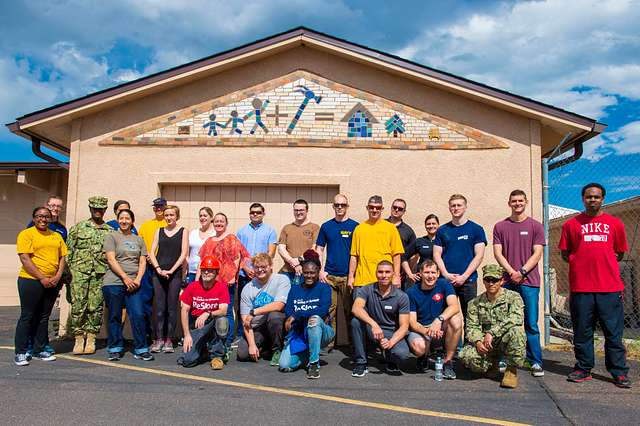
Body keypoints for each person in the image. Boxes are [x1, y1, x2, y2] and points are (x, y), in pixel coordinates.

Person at [559, 183, 631, 388]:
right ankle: (583, 368)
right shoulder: (571, 225)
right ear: (582, 199)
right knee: (582, 332)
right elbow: (566, 254)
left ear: (603, 199)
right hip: (582, 289)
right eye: (589, 197)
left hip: (609, 288)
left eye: (596, 197)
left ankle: (618, 371)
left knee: (613, 334)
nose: (592, 200)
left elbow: (619, 252)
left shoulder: (615, 224)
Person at [493, 189, 545, 377]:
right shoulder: (500, 226)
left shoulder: (536, 226)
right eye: (514, 201)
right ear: (509, 203)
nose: (517, 203)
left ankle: (535, 362)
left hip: (529, 282)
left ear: (526, 202)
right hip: (507, 282)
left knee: (530, 323)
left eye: (520, 201)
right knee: (503, 322)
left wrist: (522, 272)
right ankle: (504, 358)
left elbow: (537, 253)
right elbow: (498, 253)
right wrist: (511, 272)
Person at [14, 207, 67, 366]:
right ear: (34, 218)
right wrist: (42, 278)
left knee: (44, 317)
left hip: (52, 282)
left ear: (51, 219)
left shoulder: (56, 236)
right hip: (30, 281)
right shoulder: (26, 234)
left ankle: (39, 349)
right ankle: (21, 351)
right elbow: (25, 259)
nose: (43, 219)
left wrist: (57, 276)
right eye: (39, 216)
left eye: (46, 217)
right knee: (27, 316)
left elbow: (62, 257)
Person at [459, 264, 526, 389]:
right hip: (486, 343)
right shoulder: (474, 303)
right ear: (483, 281)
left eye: (495, 280)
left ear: (502, 281)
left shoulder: (513, 297)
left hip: (504, 340)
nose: (491, 283)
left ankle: (511, 370)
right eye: (488, 280)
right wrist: (478, 342)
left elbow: (517, 318)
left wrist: (492, 333)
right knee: (467, 356)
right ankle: (492, 364)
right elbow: (471, 327)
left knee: (517, 332)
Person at [102, 208, 153, 362]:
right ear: (118, 220)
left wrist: (137, 279)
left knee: (138, 314)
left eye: (127, 218)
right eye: (121, 218)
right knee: (116, 315)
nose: (124, 221)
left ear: (132, 221)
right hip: (114, 282)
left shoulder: (138, 239)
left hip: (135, 283)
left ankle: (141, 348)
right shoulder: (111, 236)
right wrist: (124, 277)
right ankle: (115, 348)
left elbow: (143, 261)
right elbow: (111, 259)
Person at [67, 196, 112, 355]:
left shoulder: (110, 231)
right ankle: (79, 338)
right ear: (90, 209)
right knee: (78, 305)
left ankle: (91, 338)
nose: (98, 211)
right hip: (79, 273)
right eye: (95, 209)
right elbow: (69, 252)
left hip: (99, 274)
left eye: (101, 209)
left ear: (105, 210)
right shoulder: (78, 228)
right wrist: (68, 275)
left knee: (95, 306)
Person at [279, 250, 333, 379]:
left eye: (312, 273)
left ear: (318, 271)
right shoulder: (295, 289)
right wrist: (294, 315)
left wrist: (297, 315)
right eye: (306, 273)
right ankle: (307, 355)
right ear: (302, 272)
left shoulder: (324, 288)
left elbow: (322, 310)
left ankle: (314, 363)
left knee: (314, 319)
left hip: (322, 332)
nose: (309, 276)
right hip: (300, 333)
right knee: (284, 365)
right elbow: (289, 310)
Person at [350, 260, 410, 377]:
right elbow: (356, 308)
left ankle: (389, 357)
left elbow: (404, 326)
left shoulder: (402, 296)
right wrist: (374, 324)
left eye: (387, 272)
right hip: (371, 330)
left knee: (402, 354)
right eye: (380, 272)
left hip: (390, 332)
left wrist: (390, 342)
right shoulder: (366, 289)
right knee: (355, 322)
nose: (384, 275)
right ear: (376, 273)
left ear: (393, 274)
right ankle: (361, 363)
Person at [198, 212, 250, 348]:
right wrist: (199, 279)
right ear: (212, 223)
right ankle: (215, 338)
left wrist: (233, 276)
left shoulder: (231, 238)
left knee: (226, 310)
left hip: (227, 281)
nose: (219, 223)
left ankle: (227, 341)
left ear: (226, 223)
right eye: (216, 221)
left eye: (222, 221)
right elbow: (202, 261)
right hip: (211, 282)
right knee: (213, 309)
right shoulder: (209, 241)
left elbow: (238, 257)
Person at [432, 194, 487, 319]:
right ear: (449, 208)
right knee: (447, 317)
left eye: (459, 205)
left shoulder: (476, 229)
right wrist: (445, 274)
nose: (456, 208)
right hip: (447, 281)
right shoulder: (442, 230)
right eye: (453, 206)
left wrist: (464, 276)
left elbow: (479, 256)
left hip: (468, 281)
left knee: (471, 319)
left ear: (465, 207)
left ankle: (469, 340)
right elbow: (436, 254)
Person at [315, 194, 358, 347]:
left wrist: (353, 275)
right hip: (330, 276)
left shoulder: (355, 226)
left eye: (343, 205)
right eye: (337, 205)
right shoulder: (326, 226)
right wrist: (321, 270)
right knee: (330, 310)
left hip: (348, 276)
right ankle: (329, 342)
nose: (340, 207)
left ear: (347, 206)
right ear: (333, 206)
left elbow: (358, 253)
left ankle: (354, 344)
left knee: (350, 311)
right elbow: (319, 249)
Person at [407, 260, 462, 379]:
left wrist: (438, 320)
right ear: (420, 273)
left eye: (433, 272)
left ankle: (448, 362)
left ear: (438, 274)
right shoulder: (411, 292)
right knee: (418, 347)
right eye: (426, 272)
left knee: (456, 320)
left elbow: (454, 306)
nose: (430, 276)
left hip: (440, 326)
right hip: (422, 330)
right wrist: (429, 331)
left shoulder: (444, 284)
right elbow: (412, 322)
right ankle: (424, 355)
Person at [147, 204, 188, 353]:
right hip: (158, 273)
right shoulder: (159, 231)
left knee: (172, 307)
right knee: (159, 308)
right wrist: (158, 269)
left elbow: (183, 253)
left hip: (174, 273)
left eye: (172, 215)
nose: (169, 217)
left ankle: (169, 339)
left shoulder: (183, 231)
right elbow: (151, 252)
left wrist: (171, 270)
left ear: (177, 216)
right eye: (167, 215)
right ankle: (158, 339)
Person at [237, 253, 290, 365]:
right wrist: (251, 345)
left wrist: (254, 312)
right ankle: (265, 347)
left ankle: (277, 350)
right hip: (258, 327)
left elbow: (279, 305)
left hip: (276, 323)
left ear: (271, 266)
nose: (260, 270)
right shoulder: (248, 288)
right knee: (243, 354)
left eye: (263, 267)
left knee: (274, 316)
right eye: (257, 267)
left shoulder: (282, 280)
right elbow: (245, 321)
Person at [178, 256, 229, 369]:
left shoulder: (221, 287)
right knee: (187, 361)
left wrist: (207, 313)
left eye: (210, 270)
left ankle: (218, 356)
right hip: (197, 325)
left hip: (212, 322)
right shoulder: (192, 287)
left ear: (216, 272)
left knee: (222, 320)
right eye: (204, 270)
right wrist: (186, 335)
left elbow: (224, 310)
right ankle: (203, 351)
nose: (206, 272)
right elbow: (184, 310)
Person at [236, 203, 278, 339]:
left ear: (263, 214)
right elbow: (237, 254)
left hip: (262, 275)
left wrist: (259, 269)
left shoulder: (270, 231)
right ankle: (243, 335)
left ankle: (262, 335)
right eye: (252, 212)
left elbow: (271, 253)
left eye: (258, 212)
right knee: (243, 306)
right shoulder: (241, 231)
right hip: (245, 274)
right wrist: (246, 267)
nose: (255, 214)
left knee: (262, 304)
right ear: (249, 214)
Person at [348, 195, 404, 290]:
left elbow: (396, 255)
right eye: (371, 207)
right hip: (362, 282)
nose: (374, 210)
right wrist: (350, 277)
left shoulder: (391, 228)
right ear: (367, 208)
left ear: (382, 209)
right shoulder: (359, 229)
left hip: (384, 281)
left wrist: (396, 276)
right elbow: (354, 256)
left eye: (378, 207)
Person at [137, 198, 168, 334]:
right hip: (148, 267)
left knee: (164, 303)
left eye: (161, 206)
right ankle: (147, 333)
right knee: (145, 301)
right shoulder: (146, 225)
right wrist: (147, 256)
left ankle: (164, 335)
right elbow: (140, 244)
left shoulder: (169, 224)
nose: (158, 209)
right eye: (156, 207)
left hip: (164, 267)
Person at [277, 199, 320, 285]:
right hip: (287, 272)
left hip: (307, 273)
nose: (298, 212)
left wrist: (299, 260)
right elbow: (281, 248)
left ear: (307, 211)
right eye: (296, 210)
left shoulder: (315, 228)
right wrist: (292, 261)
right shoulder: (287, 228)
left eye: (301, 210)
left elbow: (314, 248)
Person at [387, 198, 416, 290]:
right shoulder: (381, 225)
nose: (396, 210)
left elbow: (413, 256)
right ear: (391, 208)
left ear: (404, 212)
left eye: (400, 209)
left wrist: (407, 272)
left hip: (400, 276)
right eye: (394, 207)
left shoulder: (408, 231)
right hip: (380, 272)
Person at [402, 214, 439, 284]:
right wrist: (410, 274)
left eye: (433, 223)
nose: (431, 226)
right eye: (428, 224)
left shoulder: (444, 241)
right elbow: (403, 256)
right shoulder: (419, 241)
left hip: (439, 279)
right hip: (422, 280)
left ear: (438, 225)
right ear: (425, 226)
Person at [186, 207, 216, 282]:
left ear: (211, 218)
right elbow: (187, 252)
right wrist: (186, 268)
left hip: (208, 272)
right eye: (200, 216)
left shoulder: (215, 234)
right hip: (192, 271)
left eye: (205, 215)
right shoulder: (193, 233)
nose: (202, 218)